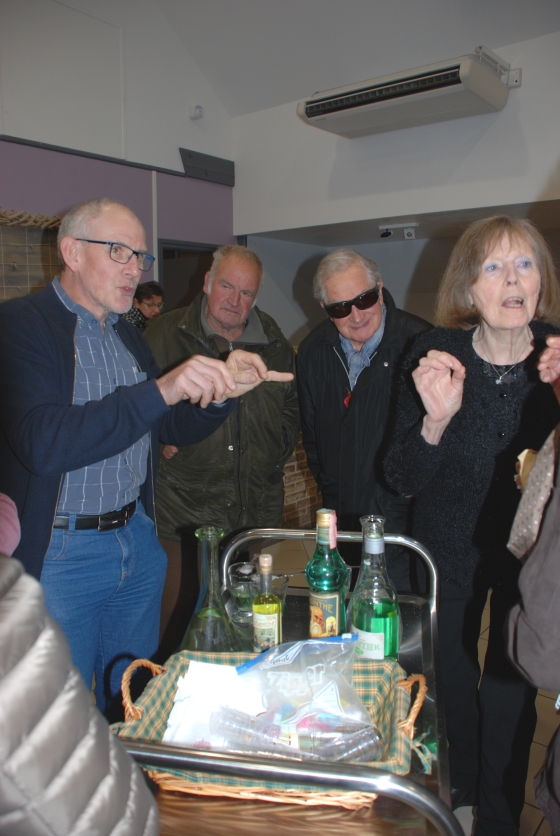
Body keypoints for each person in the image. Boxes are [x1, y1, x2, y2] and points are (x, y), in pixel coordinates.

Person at [0, 198, 293, 717]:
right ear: (72, 252)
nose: (134, 268)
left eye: (140, 256)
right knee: (63, 716)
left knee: (133, 701)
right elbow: (44, 443)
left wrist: (223, 395)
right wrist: (162, 389)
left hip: (135, 542)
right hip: (63, 554)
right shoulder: (22, 324)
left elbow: (167, 427)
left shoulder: (125, 337)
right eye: (119, 251)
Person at [384, 216, 560, 835]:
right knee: (453, 683)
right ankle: (457, 789)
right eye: (493, 267)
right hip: (448, 547)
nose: (512, 279)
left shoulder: (558, 356)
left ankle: (500, 816)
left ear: (541, 281)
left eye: (525, 264)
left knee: (510, 693)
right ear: (468, 286)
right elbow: (399, 475)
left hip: (529, 555)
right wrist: (434, 422)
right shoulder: (435, 354)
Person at [144, 245, 299, 652]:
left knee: (249, 628)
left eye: (246, 292)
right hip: (184, 518)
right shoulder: (164, 335)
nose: (235, 300)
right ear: (207, 283)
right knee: (178, 632)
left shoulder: (274, 341)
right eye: (227, 287)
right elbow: (135, 404)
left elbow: (291, 407)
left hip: (255, 516)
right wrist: (159, 437)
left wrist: (277, 447)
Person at [296, 248, 430, 589]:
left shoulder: (421, 345)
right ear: (325, 309)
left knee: (397, 613)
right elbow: (312, 438)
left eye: (364, 299)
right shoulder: (312, 352)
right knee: (343, 611)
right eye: (340, 308)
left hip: (404, 527)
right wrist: (331, 489)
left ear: (380, 290)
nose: (355, 315)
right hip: (341, 522)